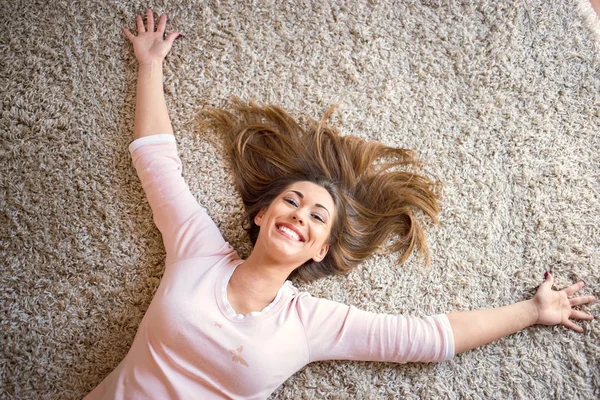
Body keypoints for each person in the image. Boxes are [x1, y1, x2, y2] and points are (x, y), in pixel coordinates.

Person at [86, 9, 596, 399]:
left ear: (320, 249)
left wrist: (532, 310)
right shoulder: (197, 250)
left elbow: (426, 339)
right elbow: (157, 165)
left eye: (316, 216)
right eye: (292, 201)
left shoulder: (310, 325)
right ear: (261, 215)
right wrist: (149, 64)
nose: (299, 216)